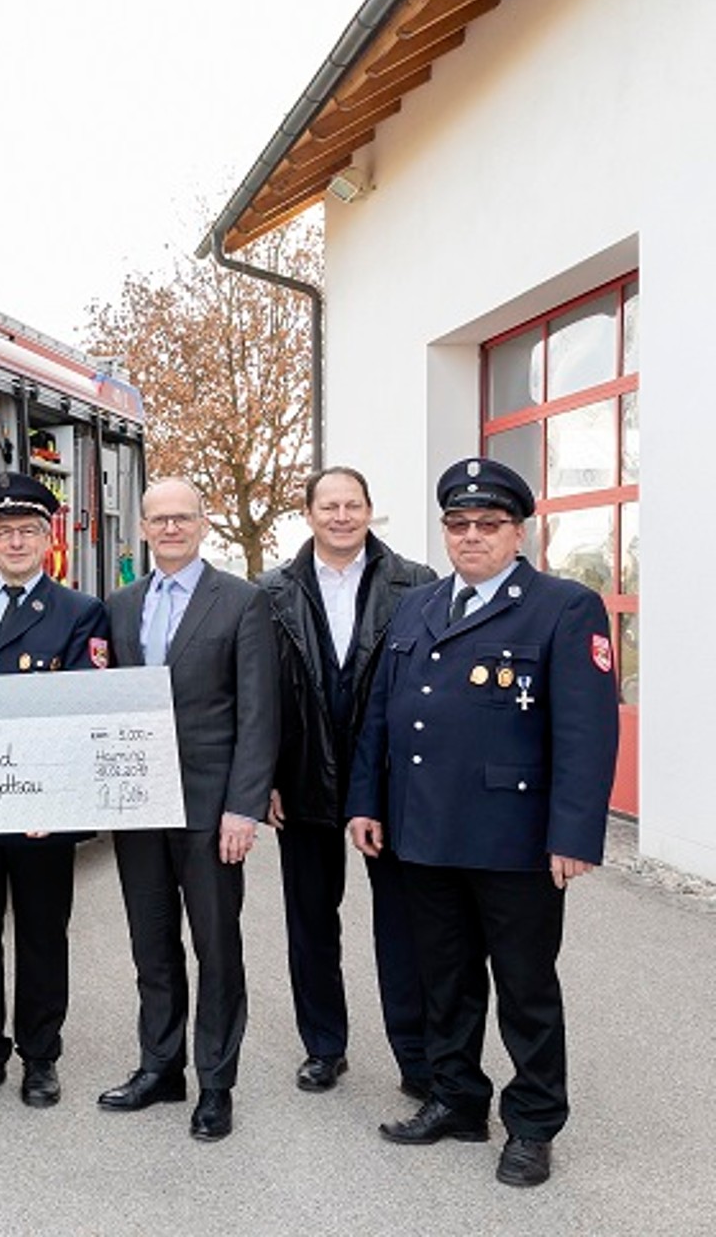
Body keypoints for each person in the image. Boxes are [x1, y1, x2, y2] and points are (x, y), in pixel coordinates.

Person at [346, 457, 618, 1188]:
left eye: (487, 525)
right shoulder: (419, 604)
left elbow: (588, 734)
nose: (471, 536)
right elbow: (383, 712)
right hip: (423, 832)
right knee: (446, 979)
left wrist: (573, 835)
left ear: (518, 532)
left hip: (515, 839)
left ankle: (532, 1124)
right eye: (458, 524)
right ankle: (458, 1099)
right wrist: (367, 801)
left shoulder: (563, 608)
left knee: (526, 987)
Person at [98, 478, 278, 1142]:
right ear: (142, 528)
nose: (171, 529)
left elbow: (259, 713)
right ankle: (160, 1067)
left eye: (183, 518)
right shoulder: (119, 606)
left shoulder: (242, 603)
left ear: (204, 524)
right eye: (159, 519)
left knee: (216, 947)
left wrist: (244, 808)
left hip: (210, 808)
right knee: (152, 944)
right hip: (138, 802)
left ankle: (216, 1083)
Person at [0, 472, 110, 1111]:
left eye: (28, 530)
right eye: (4, 530)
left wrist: (56, 797)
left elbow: (81, 714)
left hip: (42, 812)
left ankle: (40, 1057)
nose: (15, 542)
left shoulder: (78, 612)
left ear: (47, 538)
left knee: (42, 935)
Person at [258, 467, 434, 1098]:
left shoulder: (415, 583)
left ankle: (416, 1057)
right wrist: (267, 781)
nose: (340, 516)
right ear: (308, 514)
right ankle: (324, 1047)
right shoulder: (272, 590)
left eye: (352, 505)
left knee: (403, 924)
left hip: (386, 784)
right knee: (310, 920)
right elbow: (264, 697)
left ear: (369, 511)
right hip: (301, 778)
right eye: (328, 505)